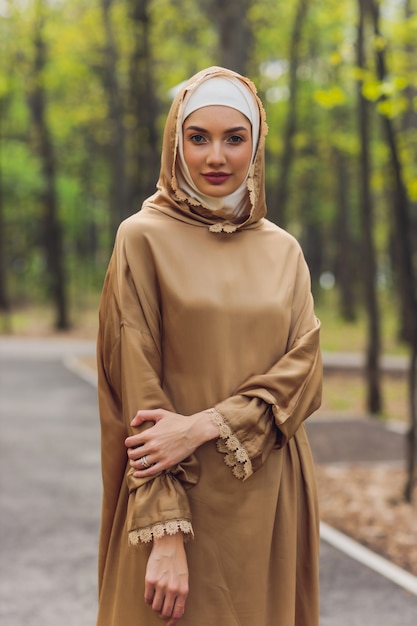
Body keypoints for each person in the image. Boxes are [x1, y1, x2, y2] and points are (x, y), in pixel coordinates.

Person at [96, 66, 322, 626]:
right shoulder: (141, 237)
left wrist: (203, 425)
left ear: (256, 144)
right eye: (199, 138)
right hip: (174, 501)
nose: (215, 157)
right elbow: (138, 392)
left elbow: (305, 373)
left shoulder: (284, 251)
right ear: (177, 142)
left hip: (269, 497)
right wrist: (166, 535)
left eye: (234, 138)